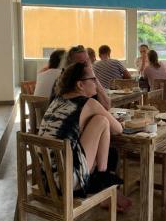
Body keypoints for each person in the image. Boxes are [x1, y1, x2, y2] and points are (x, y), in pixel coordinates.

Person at [38, 62, 132, 211]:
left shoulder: (58, 100)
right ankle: (104, 184)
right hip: (67, 182)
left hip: (46, 180)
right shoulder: (89, 103)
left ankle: (104, 185)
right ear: (80, 85)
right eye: (93, 79)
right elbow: (118, 129)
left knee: (104, 135)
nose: (96, 83)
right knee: (102, 121)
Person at [54, 45, 111, 110]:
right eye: (82, 63)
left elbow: (106, 105)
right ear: (70, 67)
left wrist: (93, 77)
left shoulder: (88, 79)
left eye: (88, 60)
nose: (87, 64)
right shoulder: (65, 83)